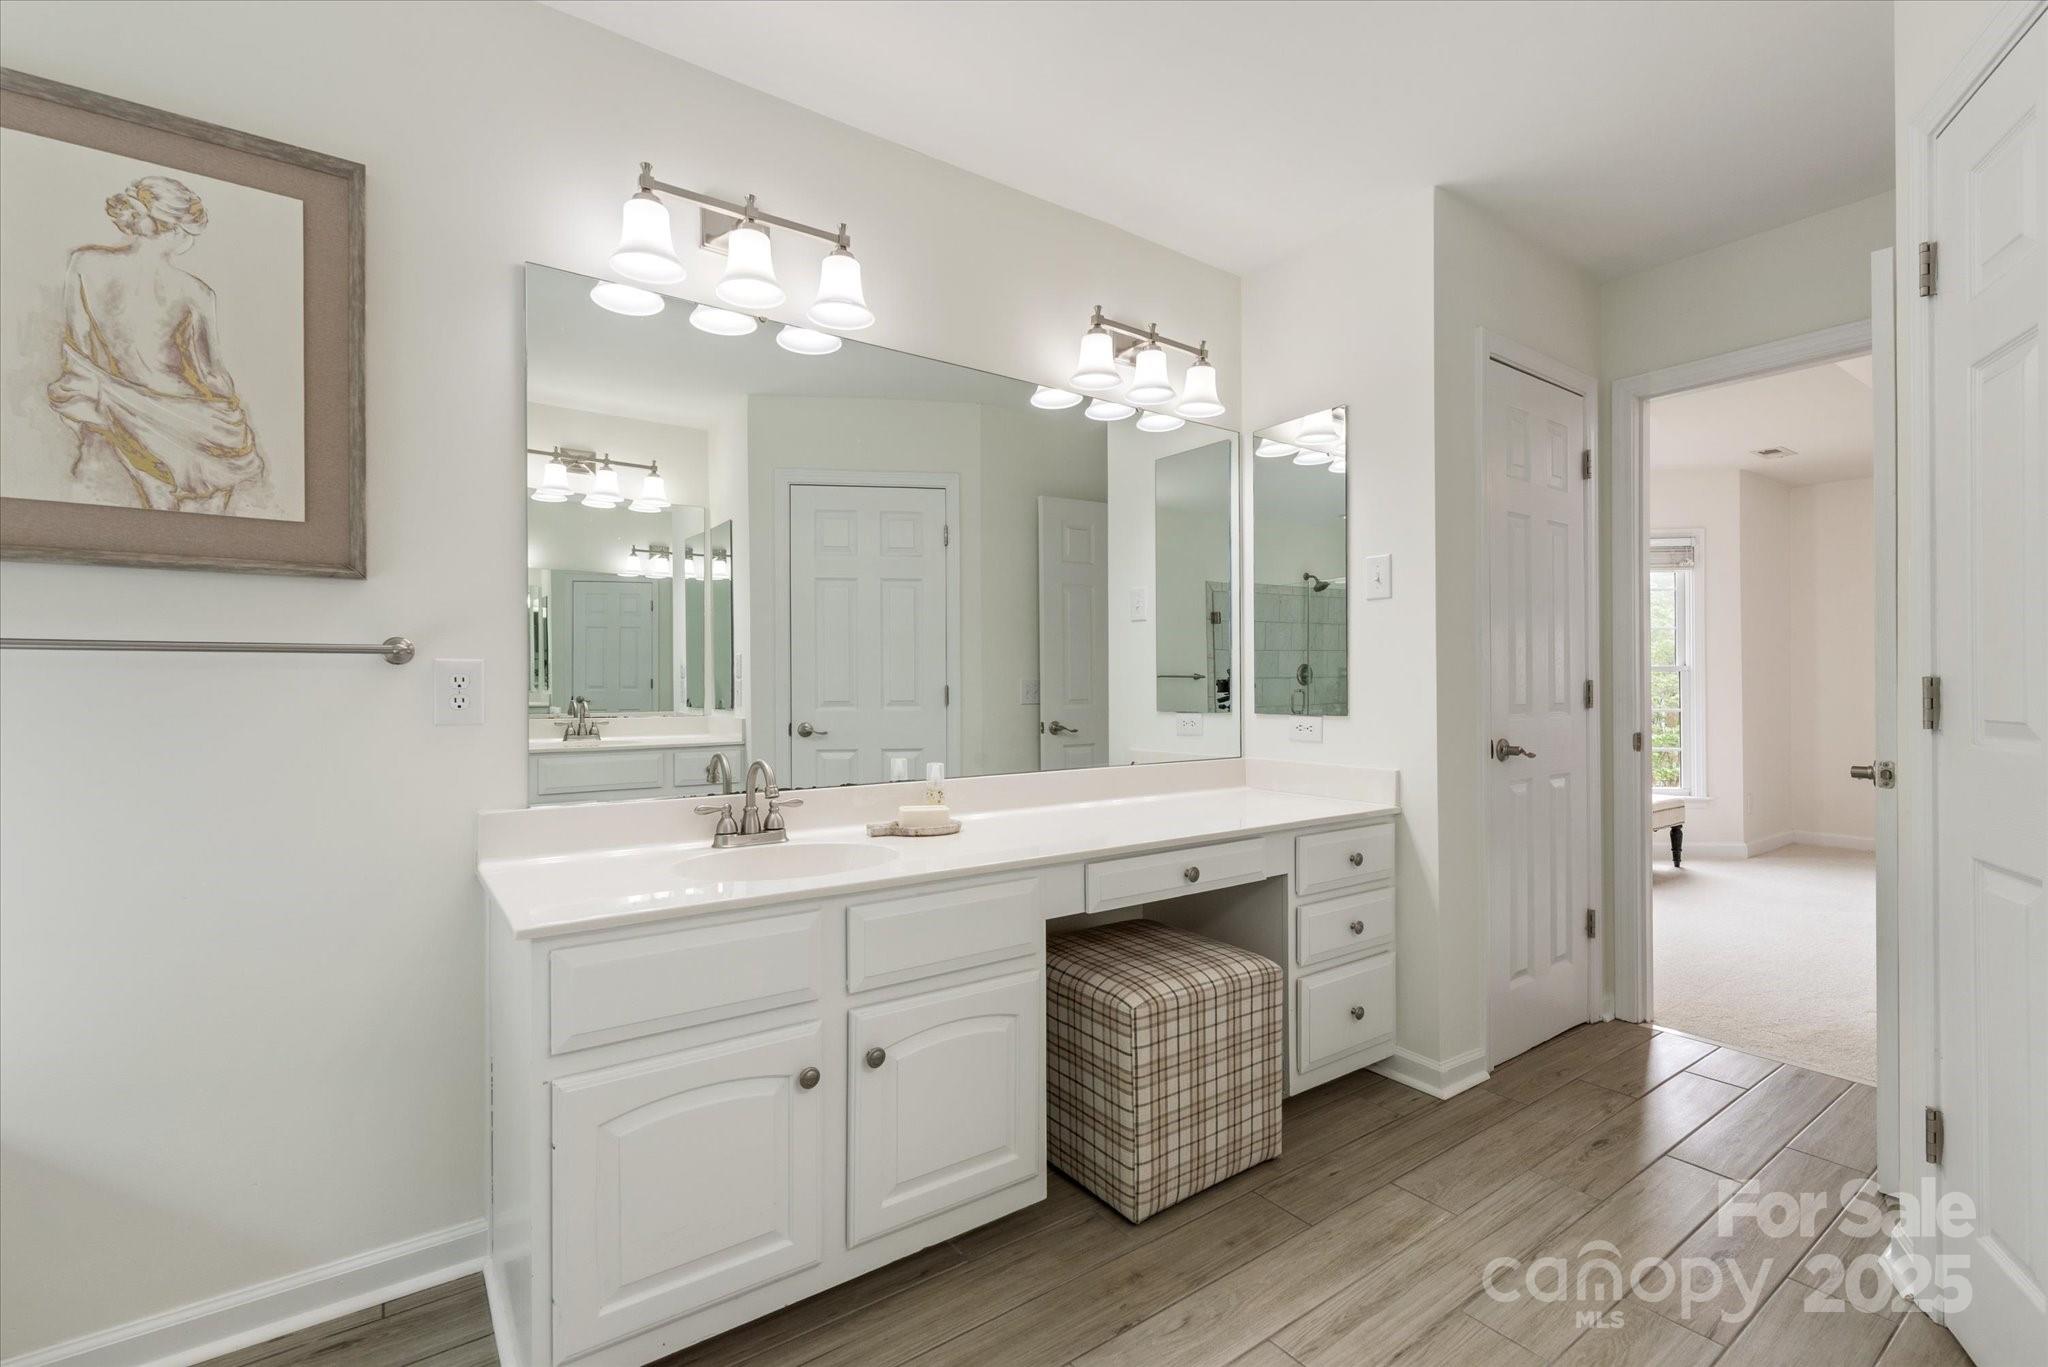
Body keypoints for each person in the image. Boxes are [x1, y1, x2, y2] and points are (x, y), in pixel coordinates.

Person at [46, 174, 264, 514]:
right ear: (177, 231)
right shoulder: (196, 293)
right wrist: (230, 404)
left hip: (116, 400)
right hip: (183, 414)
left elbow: (81, 344)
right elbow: (210, 374)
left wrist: (109, 392)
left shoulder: (84, 263)